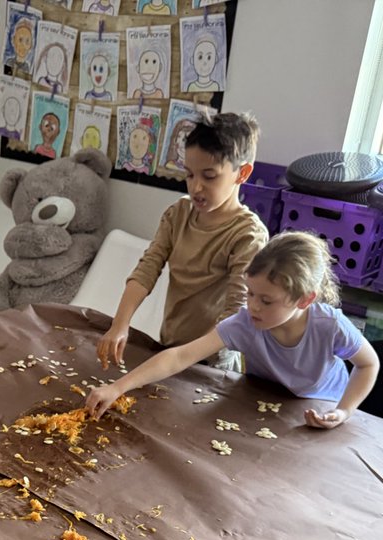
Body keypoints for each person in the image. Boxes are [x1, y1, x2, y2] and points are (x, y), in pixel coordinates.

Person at [86, 231, 380, 429]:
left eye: (266, 300)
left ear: (305, 299)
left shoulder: (329, 325)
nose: (253, 306)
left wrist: (344, 411)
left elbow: (368, 364)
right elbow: (180, 357)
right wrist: (118, 387)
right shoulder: (245, 323)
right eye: (250, 293)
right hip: (263, 404)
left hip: (321, 406)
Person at [97, 111, 268, 370]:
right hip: (170, 346)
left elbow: (237, 310)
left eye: (209, 176)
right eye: (189, 175)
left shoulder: (247, 234)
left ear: (242, 174)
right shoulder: (178, 214)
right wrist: (120, 324)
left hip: (212, 362)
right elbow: (147, 268)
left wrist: (182, 358)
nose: (196, 187)